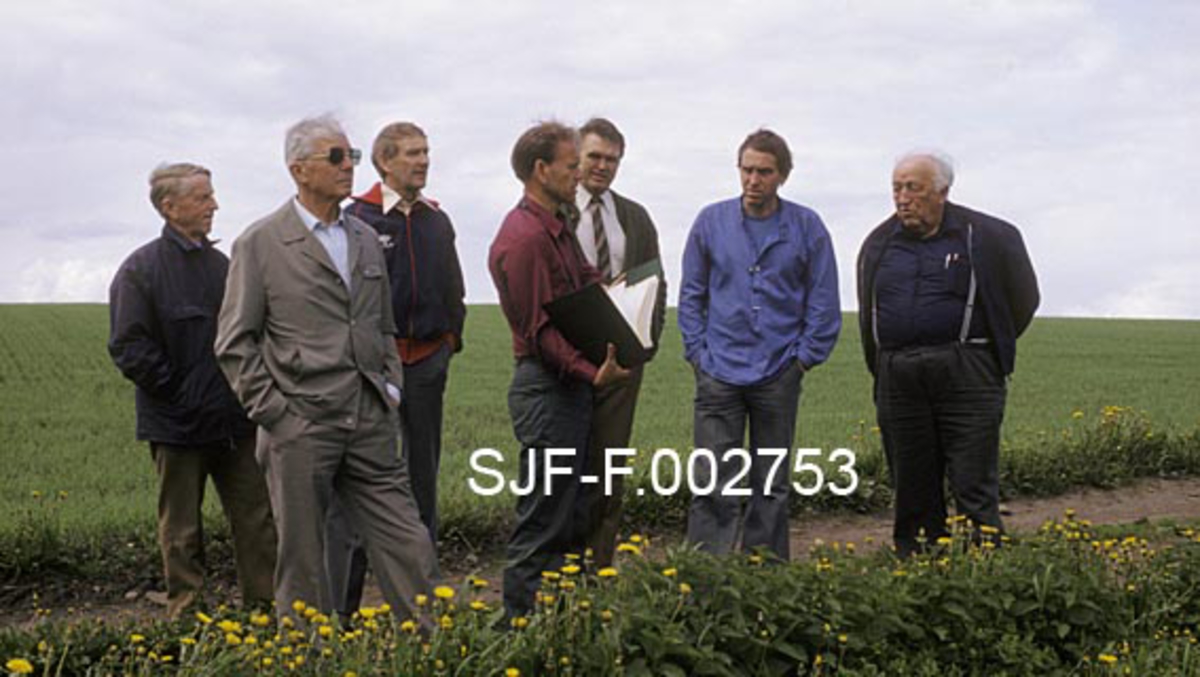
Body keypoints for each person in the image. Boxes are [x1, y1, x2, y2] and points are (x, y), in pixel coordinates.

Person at [215, 114, 435, 618]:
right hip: (301, 424)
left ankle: (430, 652)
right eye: (336, 157)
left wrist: (390, 389)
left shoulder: (363, 238)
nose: (348, 167)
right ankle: (306, 660)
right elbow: (234, 341)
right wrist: (276, 412)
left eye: (351, 156)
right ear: (298, 170)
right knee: (303, 560)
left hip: (370, 419)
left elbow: (382, 326)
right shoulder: (261, 243)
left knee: (409, 542)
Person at [108, 162, 277, 619]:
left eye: (212, 196)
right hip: (177, 425)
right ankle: (188, 618)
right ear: (169, 206)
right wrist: (180, 394)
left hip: (235, 421)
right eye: (203, 197)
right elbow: (128, 346)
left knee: (257, 521)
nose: (214, 205)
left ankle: (263, 614)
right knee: (182, 531)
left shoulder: (223, 266)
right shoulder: (140, 270)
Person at [857, 151, 1039, 557]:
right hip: (898, 375)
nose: (902, 198)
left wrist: (987, 351)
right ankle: (917, 570)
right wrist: (883, 367)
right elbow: (867, 310)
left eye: (913, 188)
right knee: (911, 482)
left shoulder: (989, 236)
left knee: (973, 481)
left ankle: (985, 571)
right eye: (897, 188)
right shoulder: (878, 244)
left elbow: (1023, 300)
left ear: (942, 191)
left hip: (968, 372)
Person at [488, 121, 629, 617]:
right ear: (541, 169)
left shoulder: (557, 225)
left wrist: (625, 300)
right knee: (544, 517)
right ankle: (518, 628)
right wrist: (591, 373)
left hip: (567, 391)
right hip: (547, 391)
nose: (579, 174)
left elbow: (586, 285)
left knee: (569, 513)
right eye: (571, 166)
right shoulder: (525, 237)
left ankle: (556, 624)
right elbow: (537, 331)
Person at [678, 129, 841, 560]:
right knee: (714, 477)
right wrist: (698, 354)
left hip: (779, 371)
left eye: (764, 172)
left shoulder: (808, 227)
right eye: (747, 170)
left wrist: (803, 361)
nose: (753, 180)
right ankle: (703, 574)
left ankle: (764, 576)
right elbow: (691, 294)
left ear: (782, 176)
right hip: (718, 372)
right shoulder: (710, 222)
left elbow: (824, 301)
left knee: (771, 481)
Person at [324, 122, 467, 613]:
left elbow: (454, 287)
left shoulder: (435, 220)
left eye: (426, 152)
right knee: (361, 482)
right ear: (384, 162)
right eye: (411, 153)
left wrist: (450, 340)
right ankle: (341, 606)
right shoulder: (356, 218)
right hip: (372, 371)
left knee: (422, 479)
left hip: (427, 362)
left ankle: (424, 600)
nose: (423, 161)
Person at [570, 117, 666, 567]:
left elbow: (655, 283)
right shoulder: (553, 209)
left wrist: (644, 349)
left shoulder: (634, 216)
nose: (602, 167)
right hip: (566, 363)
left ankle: (599, 569)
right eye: (594, 157)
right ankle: (558, 576)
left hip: (622, 365)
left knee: (608, 473)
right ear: (576, 155)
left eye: (612, 159)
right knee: (562, 472)